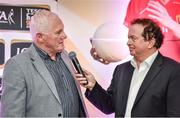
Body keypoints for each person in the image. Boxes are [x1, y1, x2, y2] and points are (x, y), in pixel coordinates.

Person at [77, 18, 180, 117]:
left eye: (133, 38)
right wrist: (93, 86)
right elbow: (109, 106)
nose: (128, 42)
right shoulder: (121, 70)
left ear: (150, 42)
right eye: (128, 38)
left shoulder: (173, 71)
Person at [1, 9, 87, 117]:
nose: (64, 36)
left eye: (63, 30)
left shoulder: (66, 55)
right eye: (58, 32)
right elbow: (12, 115)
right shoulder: (17, 66)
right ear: (40, 37)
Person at [91, 0, 180, 64]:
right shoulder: (137, 2)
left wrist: (171, 24)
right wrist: (108, 53)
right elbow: (126, 42)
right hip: (147, 77)